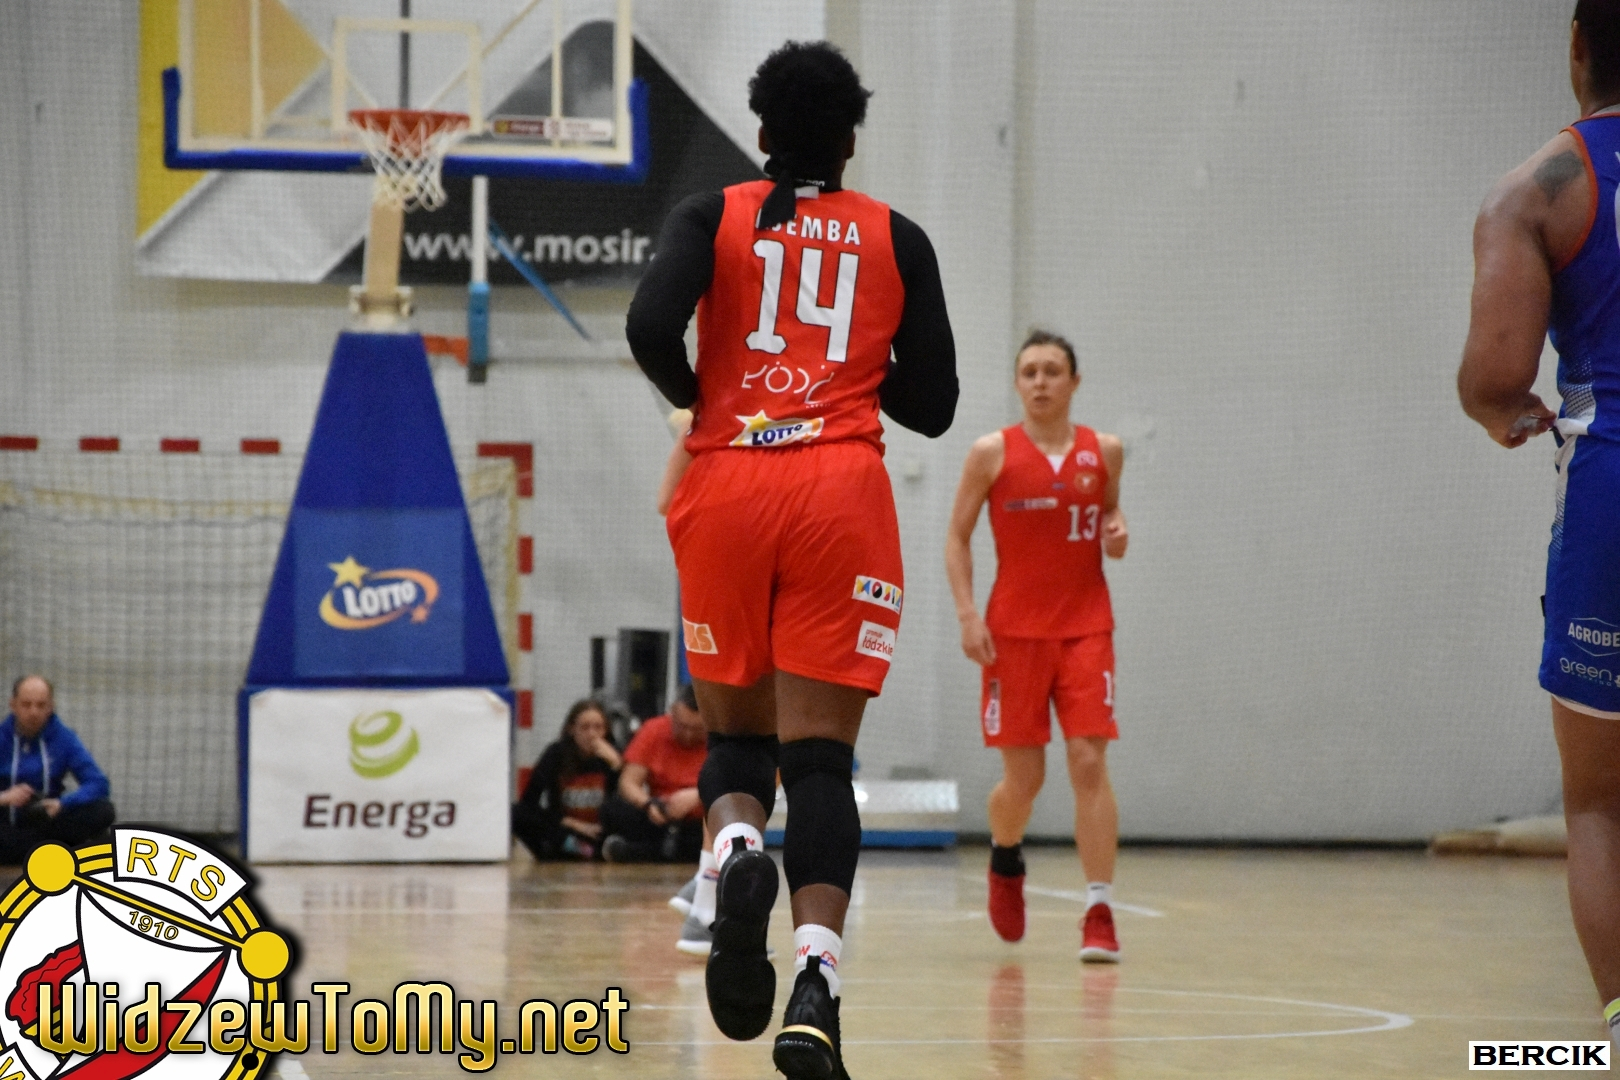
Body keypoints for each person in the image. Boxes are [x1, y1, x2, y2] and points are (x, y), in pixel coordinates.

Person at [626, 39, 957, 1080]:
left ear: (762, 132)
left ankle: (733, 854)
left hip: (729, 480)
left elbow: (647, 325)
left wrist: (706, 398)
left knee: (736, 742)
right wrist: (852, 368)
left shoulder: (710, 214)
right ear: (851, 141)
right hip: (838, 496)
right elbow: (935, 405)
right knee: (819, 763)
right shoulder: (897, 237)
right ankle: (816, 985)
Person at [1458, 0, 1620, 1041]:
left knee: (1599, 801)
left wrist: (1505, 416)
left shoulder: (1538, 189)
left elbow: (1494, 380)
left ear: (1576, 46)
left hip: (1612, 487)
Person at [945, 331, 1128, 961]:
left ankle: (1099, 910)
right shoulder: (991, 453)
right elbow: (957, 538)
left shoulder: (1105, 450)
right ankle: (1005, 857)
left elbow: (1108, 514)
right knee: (1024, 779)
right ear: (1017, 383)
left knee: (1087, 761)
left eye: (1053, 371)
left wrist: (1117, 529)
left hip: (1085, 627)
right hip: (1013, 634)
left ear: (1074, 382)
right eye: (1030, 372)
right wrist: (968, 614)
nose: (1041, 381)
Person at [0, 676, 115, 863]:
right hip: (5, 822)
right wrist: (5, 797)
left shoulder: (64, 738)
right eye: (26, 705)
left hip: (48, 822)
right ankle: (56, 850)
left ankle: (30, 851)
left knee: (103, 810)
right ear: (13, 705)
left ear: (51, 707)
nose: (34, 712)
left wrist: (62, 803)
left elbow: (98, 783)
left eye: (41, 705)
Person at [600, 683, 708, 863]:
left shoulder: (722, 736)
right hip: (659, 814)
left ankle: (640, 852)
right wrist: (648, 804)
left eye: (697, 729)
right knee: (613, 809)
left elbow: (735, 785)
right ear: (672, 713)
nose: (688, 735)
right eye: (682, 726)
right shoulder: (654, 729)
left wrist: (699, 796)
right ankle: (667, 850)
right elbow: (628, 782)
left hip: (703, 818)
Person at [512, 698, 621, 861]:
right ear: (572, 729)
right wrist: (570, 822)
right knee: (516, 813)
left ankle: (593, 852)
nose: (592, 734)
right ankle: (584, 852)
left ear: (606, 730)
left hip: (599, 833)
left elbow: (625, 806)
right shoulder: (556, 753)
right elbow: (528, 802)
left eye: (598, 727)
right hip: (565, 831)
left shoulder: (614, 755)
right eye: (585, 727)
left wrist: (617, 766)